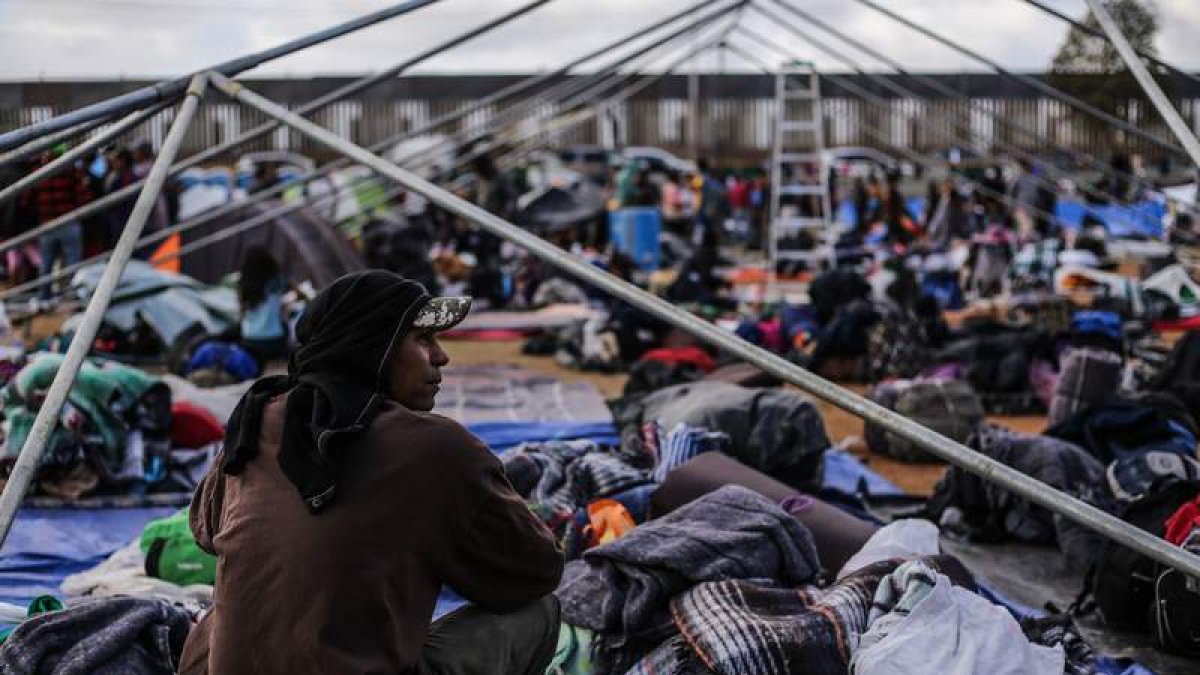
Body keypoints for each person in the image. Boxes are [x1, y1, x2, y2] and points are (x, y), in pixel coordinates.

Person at [179, 271, 564, 674]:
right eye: (422, 339)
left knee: (238, 611)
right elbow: (535, 570)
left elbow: (206, 531)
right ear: (373, 347)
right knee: (537, 612)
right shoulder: (438, 448)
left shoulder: (255, 420)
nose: (441, 357)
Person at [23, 148, 91, 300]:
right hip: (68, 221)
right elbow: (83, 195)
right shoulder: (70, 169)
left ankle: (44, 298)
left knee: (46, 263)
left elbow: (27, 199)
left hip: (47, 223)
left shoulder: (38, 171)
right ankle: (74, 296)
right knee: (73, 262)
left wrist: (40, 210)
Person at [237, 246, 289, 364]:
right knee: (285, 325)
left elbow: (241, 314)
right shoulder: (276, 280)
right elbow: (284, 306)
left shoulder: (243, 285)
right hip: (274, 341)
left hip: (249, 340)